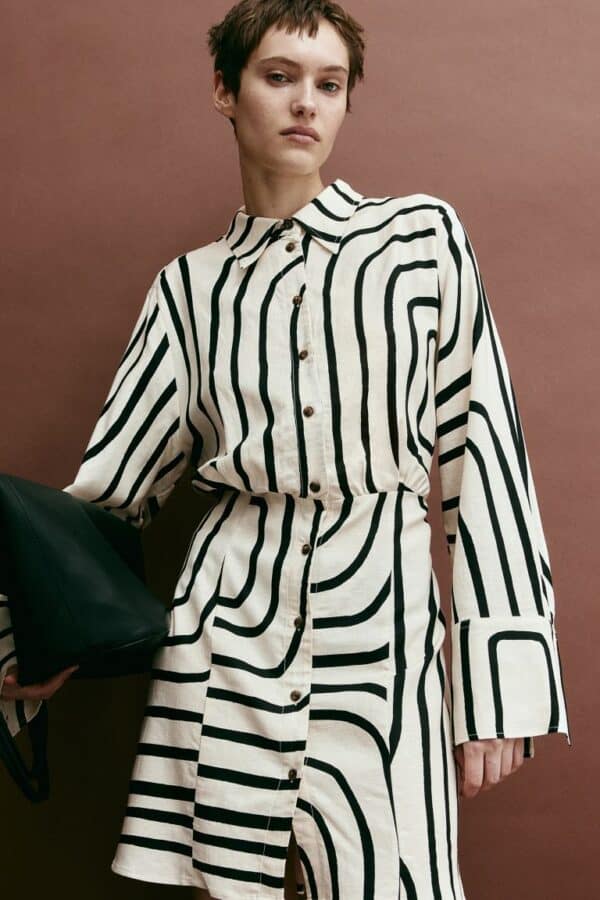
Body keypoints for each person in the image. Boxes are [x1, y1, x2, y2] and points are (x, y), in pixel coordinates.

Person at [1, 1, 572, 898]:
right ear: (225, 91)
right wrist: (31, 638)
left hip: (383, 638)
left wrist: (503, 679)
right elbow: (109, 497)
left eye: (329, 84)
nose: (307, 102)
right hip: (222, 642)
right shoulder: (189, 291)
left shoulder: (420, 242)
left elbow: (486, 457)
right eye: (279, 77)